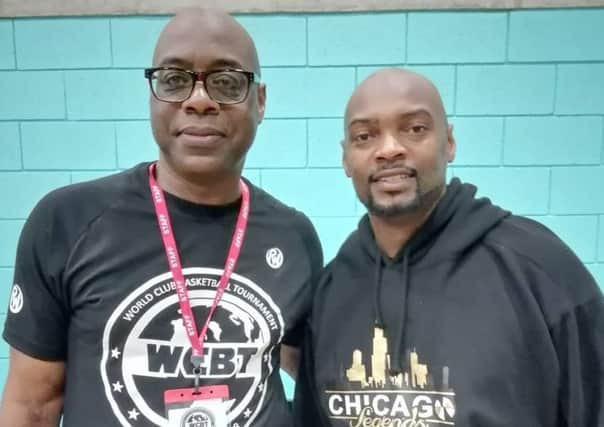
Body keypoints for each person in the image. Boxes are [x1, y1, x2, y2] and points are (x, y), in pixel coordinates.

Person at [0, 8, 322, 427]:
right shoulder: (65, 222)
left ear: (259, 101)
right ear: (153, 97)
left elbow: (317, 376)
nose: (200, 100)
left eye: (226, 83)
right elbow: (31, 406)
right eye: (174, 80)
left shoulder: (294, 236)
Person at [293, 68, 604, 426]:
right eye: (365, 136)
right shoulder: (333, 291)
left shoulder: (539, 270)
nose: (389, 149)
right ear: (346, 158)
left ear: (449, 142)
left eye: (415, 129)